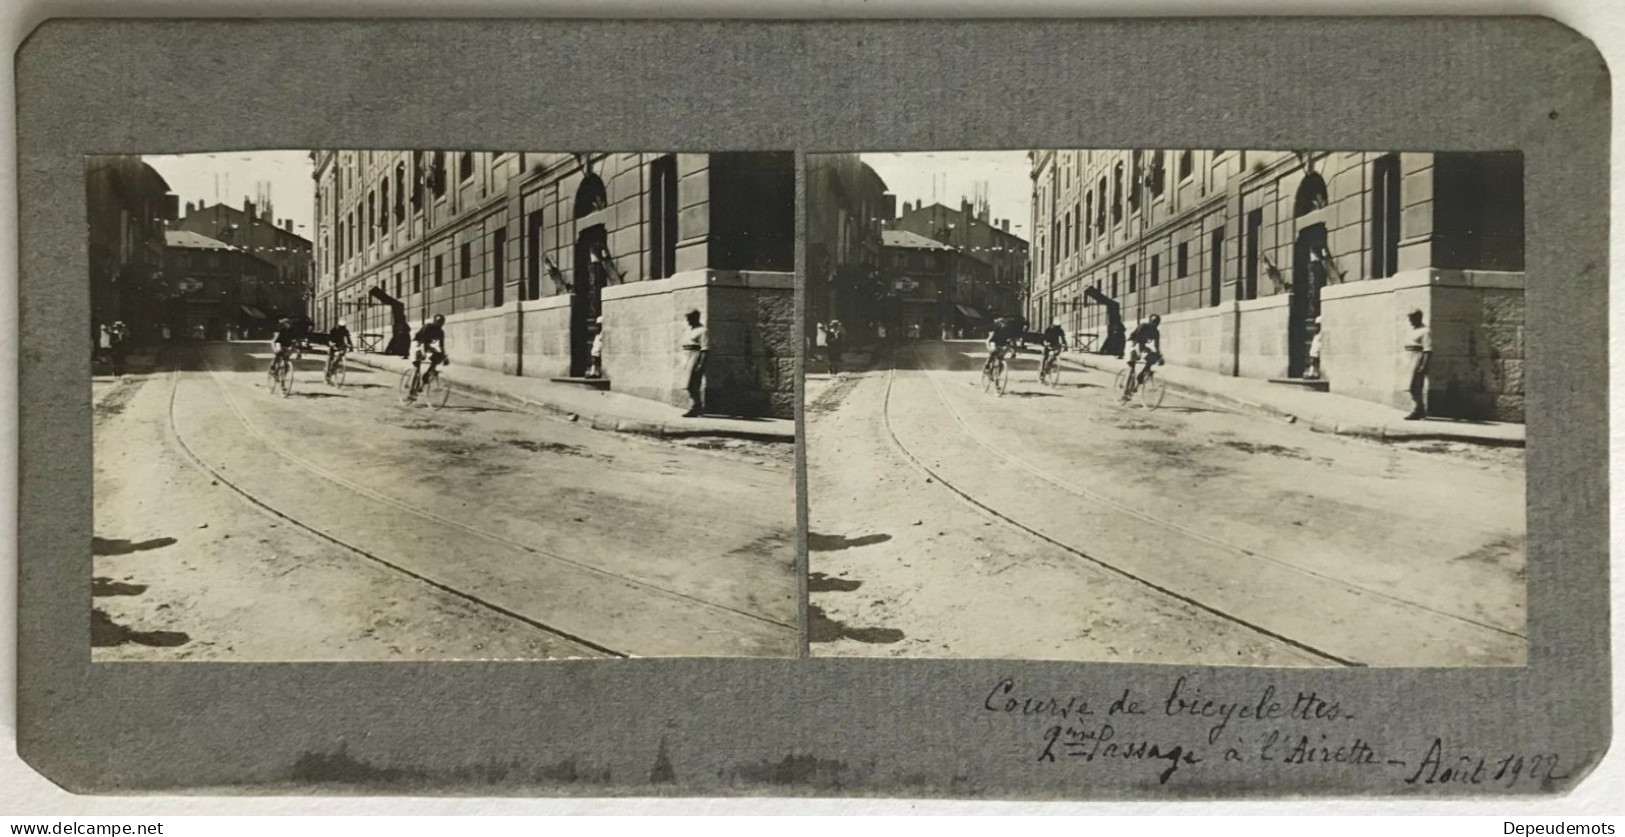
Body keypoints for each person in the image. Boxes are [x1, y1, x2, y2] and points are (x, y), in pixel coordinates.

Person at [1122, 314, 1163, 400]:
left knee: (1152, 357)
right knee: (1131, 367)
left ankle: (1140, 377)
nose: (1155, 324)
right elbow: (1134, 337)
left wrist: (1159, 356)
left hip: (1141, 345)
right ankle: (1125, 392)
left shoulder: (1156, 332)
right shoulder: (1143, 326)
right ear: (1150, 321)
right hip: (1132, 344)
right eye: (1153, 322)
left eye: (1157, 322)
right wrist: (1137, 351)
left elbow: (1156, 345)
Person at [1402, 308, 1431, 420]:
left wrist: (1423, 364)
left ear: (1419, 317)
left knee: (1415, 386)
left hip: (1417, 358)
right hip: (1409, 358)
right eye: (1409, 318)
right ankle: (1420, 409)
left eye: (1412, 318)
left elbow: (1428, 350)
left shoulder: (1425, 331)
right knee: (1409, 385)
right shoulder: (1412, 330)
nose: (1410, 321)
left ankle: (1416, 410)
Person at [680, 309, 708, 418]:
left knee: (692, 384)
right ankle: (698, 407)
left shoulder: (702, 331)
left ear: (696, 317)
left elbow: (705, 349)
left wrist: (701, 364)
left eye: (690, 318)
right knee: (687, 384)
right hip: (686, 356)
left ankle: (695, 407)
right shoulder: (689, 330)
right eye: (687, 318)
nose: (688, 320)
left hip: (694, 356)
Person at [412, 314, 450, 382]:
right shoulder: (427, 327)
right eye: (438, 322)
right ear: (434, 321)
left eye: (441, 323)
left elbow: (442, 346)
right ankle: (413, 386)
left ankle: (427, 374)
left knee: (439, 356)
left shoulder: (441, 332)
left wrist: (444, 357)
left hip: (426, 344)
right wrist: (424, 352)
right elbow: (422, 340)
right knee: (418, 361)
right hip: (417, 343)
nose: (440, 325)